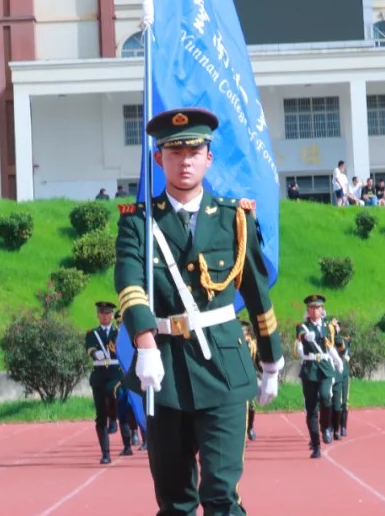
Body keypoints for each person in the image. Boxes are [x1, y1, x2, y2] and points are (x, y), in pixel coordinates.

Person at [115, 106, 285, 515]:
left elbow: (257, 293)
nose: (185, 161)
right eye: (175, 153)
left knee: (221, 494)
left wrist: (271, 360)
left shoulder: (234, 218)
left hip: (224, 369)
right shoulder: (138, 222)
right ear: (159, 159)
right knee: (175, 500)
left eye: (194, 152)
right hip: (165, 371)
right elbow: (130, 284)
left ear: (209, 157)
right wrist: (145, 345)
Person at [294, 294, 343, 458]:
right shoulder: (303, 326)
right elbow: (300, 335)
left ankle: (325, 427)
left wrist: (338, 360)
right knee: (311, 408)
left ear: (322, 310)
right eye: (312, 307)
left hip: (325, 367)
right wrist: (305, 337)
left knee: (325, 397)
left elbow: (330, 346)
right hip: (310, 368)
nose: (315, 311)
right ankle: (316, 445)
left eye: (318, 307)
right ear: (308, 310)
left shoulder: (328, 327)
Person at [85, 300, 130, 463]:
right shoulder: (92, 333)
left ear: (112, 315)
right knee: (100, 417)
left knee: (115, 395)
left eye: (108, 313)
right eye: (102, 313)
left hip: (116, 374)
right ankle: (105, 454)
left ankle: (115, 420)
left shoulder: (119, 333)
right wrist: (94, 354)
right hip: (99, 375)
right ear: (98, 315)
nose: (105, 316)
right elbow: (89, 348)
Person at [328, 316, 350, 438]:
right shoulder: (327, 341)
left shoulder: (343, 340)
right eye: (333, 326)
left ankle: (343, 426)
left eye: (337, 326)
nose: (336, 327)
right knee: (332, 401)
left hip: (343, 373)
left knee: (344, 401)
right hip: (332, 373)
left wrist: (336, 334)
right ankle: (333, 426)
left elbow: (341, 347)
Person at [240, 319, 260, 441]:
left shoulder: (251, 344)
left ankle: (250, 428)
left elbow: (256, 360)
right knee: (239, 408)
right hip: (237, 379)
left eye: (245, 331)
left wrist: (263, 370)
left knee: (251, 406)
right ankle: (241, 434)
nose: (243, 333)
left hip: (249, 378)